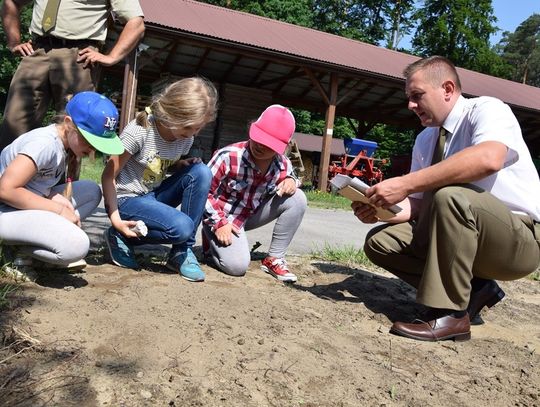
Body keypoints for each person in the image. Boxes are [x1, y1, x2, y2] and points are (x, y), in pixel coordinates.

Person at [354, 56, 540, 342]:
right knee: (381, 242)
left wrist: (405, 182)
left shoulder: (488, 109)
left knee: (450, 195)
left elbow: (489, 159)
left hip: (519, 240)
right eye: (409, 98)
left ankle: (451, 315)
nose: (410, 105)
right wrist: (380, 208)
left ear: (448, 89)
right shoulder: (425, 140)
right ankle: (477, 290)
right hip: (466, 232)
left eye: (417, 96)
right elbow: (417, 203)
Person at [101, 77, 218, 282]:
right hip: (127, 199)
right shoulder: (140, 131)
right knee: (183, 227)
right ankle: (118, 235)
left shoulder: (185, 139)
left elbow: (155, 163)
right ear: (171, 115)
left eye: (198, 128)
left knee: (201, 172)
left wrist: (178, 165)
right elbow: (108, 174)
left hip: (152, 195)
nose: (193, 134)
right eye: (189, 128)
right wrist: (116, 219)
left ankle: (182, 251)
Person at [0, 91, 124, 270]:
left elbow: (35, 183)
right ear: (68, 124)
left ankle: (30, 245)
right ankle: (15, 252)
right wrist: (57, 210)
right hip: (4, 211)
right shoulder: (44, 144)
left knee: (91, 191)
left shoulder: (62, 145)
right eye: (89, 142)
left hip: (17, 208)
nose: (91, 151)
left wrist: (51, 196)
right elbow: (5, 189)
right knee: (77, 246)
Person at [0, 0, 145, 152]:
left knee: (72, 131)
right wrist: (13, 42)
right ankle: (7, 172)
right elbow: (11, 2)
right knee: (14, 124)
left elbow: (136, 23)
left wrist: (111, 57)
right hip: (36, 50)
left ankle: (61, 175)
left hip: (79, 56)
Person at [203, 104, 307, 283]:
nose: (260, 145)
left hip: (249, 215)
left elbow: (293, 177)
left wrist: (291, 180)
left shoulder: (282, 164)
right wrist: (219, 222)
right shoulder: (227, 156)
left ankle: (274, 258)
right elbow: (203, 192)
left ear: (283, 147)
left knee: (297, 198)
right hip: (221, 216)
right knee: (237, 267)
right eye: (259, 138)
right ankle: (210, 240)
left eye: (268, 144)